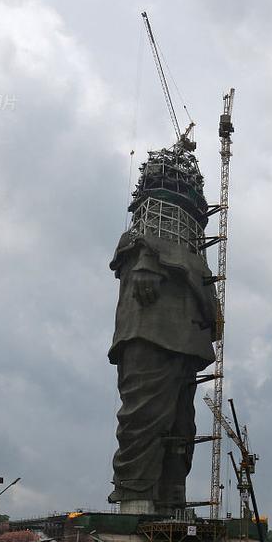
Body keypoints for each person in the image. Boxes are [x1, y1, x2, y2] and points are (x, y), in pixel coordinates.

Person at [107, 142, 217, 514]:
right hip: (149, 337)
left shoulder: (193, 256)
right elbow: (133, 257)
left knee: (181, 428)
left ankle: (171, 501)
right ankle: (135, 499)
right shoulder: (140, 244)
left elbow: (208, 304)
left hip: (184, 344)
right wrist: (148, 261)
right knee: (143, 418)